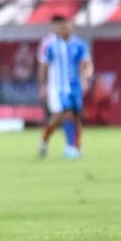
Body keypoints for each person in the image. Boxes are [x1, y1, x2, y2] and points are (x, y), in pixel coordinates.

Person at [38, 15, 93, 159]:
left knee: (75, 116)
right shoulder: (49, 45)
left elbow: (87, 63)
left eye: (66, 24)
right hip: (57, 87)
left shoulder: (79, 44)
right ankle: (69, 148)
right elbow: (44, 66)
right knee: (64, 114)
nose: (64, 28)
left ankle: (74, 146)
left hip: (75, 86)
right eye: (61, 25)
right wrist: (43, 86)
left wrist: (86, 76)